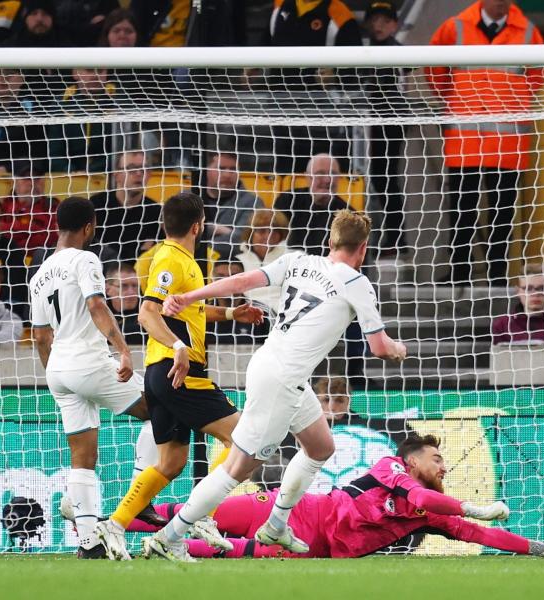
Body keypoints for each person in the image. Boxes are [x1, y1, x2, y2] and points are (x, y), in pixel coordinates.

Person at [145, 209, 407, 562]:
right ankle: (169, 535)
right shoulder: (357, 283)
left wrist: (192, 297)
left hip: (276, 368)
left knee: (320, 446)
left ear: (330, 241)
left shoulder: (297, 261)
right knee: (238, 467)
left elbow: (242, 282)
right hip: (282, 378)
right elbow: (379, 347)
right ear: (363, 248)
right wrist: (398, 349)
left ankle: (277, 524)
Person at [93, 192, 264, 561]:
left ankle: (113, 526)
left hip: (163, 374)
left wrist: (233, 315)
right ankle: (201, 515)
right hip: (178, 371)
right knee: (248, 438)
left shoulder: (184, 260)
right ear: (198, 225)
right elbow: (147, 313)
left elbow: (193, 311)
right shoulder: (169, 258)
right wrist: (178, 347)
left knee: (170, 464)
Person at [73, 435, 544, 560]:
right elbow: (427, 500)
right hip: (290, 511)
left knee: (210, 548)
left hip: (308, 546)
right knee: (194, 513)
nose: (442, 467)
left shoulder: (428, 515)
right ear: (413, 459)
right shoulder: (390, 469)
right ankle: (98, 521)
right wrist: (469, 504)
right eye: (436, 459)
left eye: (443, 463)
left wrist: (539, 548)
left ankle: (129, 542)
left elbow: (479, 534)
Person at [27, 197, 161, 559]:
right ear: (89, 226)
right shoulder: (86, 259)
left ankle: (89, 544)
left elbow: (40, 336)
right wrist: (123, 348)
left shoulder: (38, 275)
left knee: (82, 458)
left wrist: (56, 374)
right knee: (164, 411)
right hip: (89, 360)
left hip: (58, 369)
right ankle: (141, 498)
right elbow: (96, 304)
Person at [428, 0, 544, 284]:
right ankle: (460, 275)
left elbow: (538, 77)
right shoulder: (454, 28)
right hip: (465, 142)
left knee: (502, 217)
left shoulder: (528, 32)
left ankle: (497, 277)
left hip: (506, 145)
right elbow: (435, 72)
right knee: (461, 213)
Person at [363, 1, 407, 254]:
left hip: (390, 121)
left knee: (387, 177)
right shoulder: (367, 50)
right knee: (380, 178)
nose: (378, 25)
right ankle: (393, 237)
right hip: (372, 120)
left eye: (384, 20)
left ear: (394, 25)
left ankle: (396, 237)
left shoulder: (396, 51)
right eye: (374, 20)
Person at [90, 150, 162, 265]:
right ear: (117, 175)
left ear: (149, 175)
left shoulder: (155, 212)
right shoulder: (96, 206)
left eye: (144, 169)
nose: (139, 173)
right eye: (131, 168)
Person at [48, 67, 120, 174]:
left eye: (100, 71)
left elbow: (121, 151)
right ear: (75, 73)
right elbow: (54, 153)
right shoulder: (60, 104)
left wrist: (91, 171)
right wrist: (71, 171)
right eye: (89, 70)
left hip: (109, 174)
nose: (96, 76)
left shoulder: (120, 101)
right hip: (69, 177)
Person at [274, 153, 348, 254]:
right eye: (320, 173)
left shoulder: (348, 216)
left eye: (333, 173)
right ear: (307, 177)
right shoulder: (288, 201)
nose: (327, 180)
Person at [198, 151, 263, 261]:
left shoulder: (252, 202)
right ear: (206, 170)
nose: (228, 174)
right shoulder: (187, 198)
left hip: (232, 265)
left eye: (233, 169)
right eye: (221, 168)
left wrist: (201, 243)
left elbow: (243, 240)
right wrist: (221, 230)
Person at [0, 67, 46, 176]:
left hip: (17, 178)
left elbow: (40, 155)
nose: (3, 78)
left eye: (10, 73)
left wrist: (8, 168)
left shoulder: (35, 111)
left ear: (22, 78)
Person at [235, 208, 290, 313]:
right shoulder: (237, 260)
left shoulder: (291, 258)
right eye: (261, 230)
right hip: (247, 315)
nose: (268, 236)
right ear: (251, 233)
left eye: (274, 231)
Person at [0, 161, 57, 253]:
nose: (32, 183)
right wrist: (35, 229)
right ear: (14, 181)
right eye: (26, 178)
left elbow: (51, 237)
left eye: (37, 178)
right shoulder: (1, 205)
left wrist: (14, 241)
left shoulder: (53, 206)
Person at [105, 262, 143, 344]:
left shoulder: (147, 316)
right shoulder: (98, 315)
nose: (131, 292)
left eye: (135, 286)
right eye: (124, 286)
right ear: (107, 289)